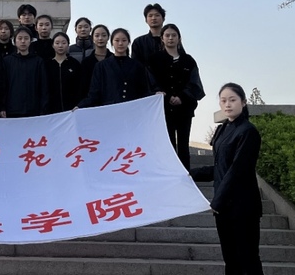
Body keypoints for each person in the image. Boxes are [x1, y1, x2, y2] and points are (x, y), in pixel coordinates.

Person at [191, 83, 264, 275]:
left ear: (243, 102)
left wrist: (217, 201)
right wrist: (191, 174)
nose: (227, 104)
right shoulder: (222, 130)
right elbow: (219, 168)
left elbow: (237, 170)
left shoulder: (248, 131)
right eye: (223, 101)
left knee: (248, 259)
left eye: (232, 100)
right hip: (224, 209)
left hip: (243, 206)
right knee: (230, 260)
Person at [147, 24, 205, 170]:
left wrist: (182, 97)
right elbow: (150, 82)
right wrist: (163, 95)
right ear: (162, 38)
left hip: (184, 109)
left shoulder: (188, 60)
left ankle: (185, 174)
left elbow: (195, 84)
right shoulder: (154, 60)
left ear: (179, 38)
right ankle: (170, 173)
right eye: (167, 35)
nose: (170, 38)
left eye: (174, 35)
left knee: (184, 144)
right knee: (168, 144)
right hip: (163, 109)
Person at [77, 28, 157, 108]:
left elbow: (143, 91)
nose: (120, 43)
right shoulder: (101, 66)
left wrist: (156, 95)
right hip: (110, 109)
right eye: (117, 40)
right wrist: (80, 106)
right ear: (112, 42)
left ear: (128, 42)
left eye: (124, 40)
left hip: (131, 109)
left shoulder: (137, 65)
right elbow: (94, 93)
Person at [2, 26, 50, 117]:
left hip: (34, 110)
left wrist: (43, 109)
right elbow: (3, 86)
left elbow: (43, 86)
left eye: (26, 38)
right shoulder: (7, 61)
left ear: (30, 41)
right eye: (20, 38)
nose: (23, 41)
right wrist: (2, 107)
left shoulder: (38, 61)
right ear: (14, 41)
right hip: (12, 110)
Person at [46, 32, 82, 113]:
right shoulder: (47, 65)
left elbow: (80, 87)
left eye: (63, 43)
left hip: (72, 109)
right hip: (51, 110)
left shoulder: (74, 64)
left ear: (68, 45)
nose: (60, 46)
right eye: (57, 43)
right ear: (53, 45)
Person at [80, 24, 111, 96]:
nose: (100, 38)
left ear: (108, 38)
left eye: (104, 35)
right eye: (97, 36)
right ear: (93, 38)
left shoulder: (114, 59)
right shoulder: (86, 62)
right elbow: (83, 86)